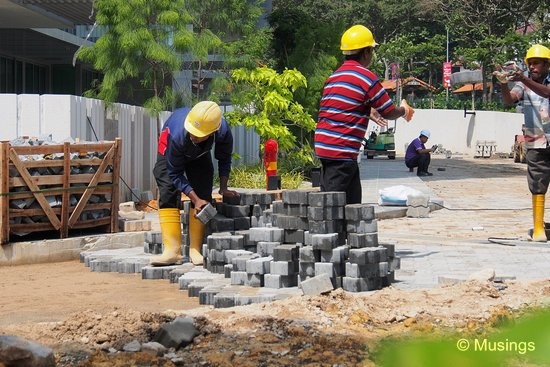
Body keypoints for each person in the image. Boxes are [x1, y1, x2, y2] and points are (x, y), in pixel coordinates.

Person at [314, 24, 415, 205]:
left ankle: (347, 232)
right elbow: (389, 112)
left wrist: (367, 110)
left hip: (330, 149)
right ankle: (333, 232)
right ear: (367, 52)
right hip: (341, 151)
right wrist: (404, 110)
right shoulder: (366, 77)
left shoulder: (335, 76)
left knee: (352, 207)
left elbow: (339, 106)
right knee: (331, 209)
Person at [152, 101, 239, 265]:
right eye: (192, 132)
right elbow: (175, 173)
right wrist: (195, 199)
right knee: (167, 188)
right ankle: (172, 250)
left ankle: (195, 250)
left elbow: (224, 157)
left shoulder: (222, 130)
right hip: (170, 150)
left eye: (199, 135)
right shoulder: (178, 134)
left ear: (213, 131)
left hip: (199, 154)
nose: (194, 136)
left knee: (203, 186)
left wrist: (223, 188)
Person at [497, 44, 550, 242]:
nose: (533, 67)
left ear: (547, 65)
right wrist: (503, 83)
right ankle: (538, 228)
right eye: (530, 64)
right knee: (537, 183)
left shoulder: (529, 80)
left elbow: (547, 93)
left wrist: (524, 78)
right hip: (536, 141)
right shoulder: (523, 83)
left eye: (536, 64)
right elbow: (509, 100)